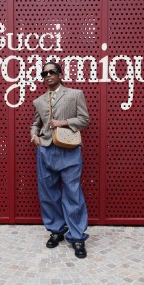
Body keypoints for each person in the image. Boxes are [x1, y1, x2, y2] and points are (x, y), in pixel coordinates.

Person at [30, 61, 90, 258]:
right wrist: (34, 136)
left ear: (60, 74)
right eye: (44, 73)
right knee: (48, 193)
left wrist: (64, 122)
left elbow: (84, 120)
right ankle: (57, 230)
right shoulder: (39, 100)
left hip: (69, 149)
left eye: (52, 72)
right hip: (46, 150)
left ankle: (77, 236)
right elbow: (35, 124)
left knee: (73, 193)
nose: (48, 75)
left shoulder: (75, 94)